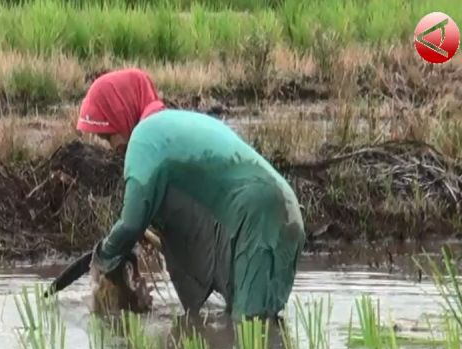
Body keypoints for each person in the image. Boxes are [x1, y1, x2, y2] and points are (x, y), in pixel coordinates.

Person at [76, 68, 305, 320]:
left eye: (109, 136)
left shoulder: (144, 137)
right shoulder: (173, 126)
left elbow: (130, 222)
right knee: (256, 325)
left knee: (250, 333)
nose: (113, 147)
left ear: (121, 112)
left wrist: (104, 256)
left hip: (258, 214)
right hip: (283, 208)